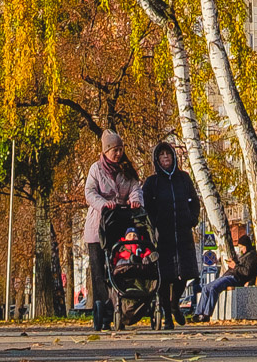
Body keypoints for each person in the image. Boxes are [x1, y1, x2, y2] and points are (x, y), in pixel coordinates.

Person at [83, 129, 144, 331]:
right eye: (114, 150)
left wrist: (135, 201)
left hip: (120, 224)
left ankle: (121, 305)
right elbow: (90, 192)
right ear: (106, 151)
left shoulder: (126, 170)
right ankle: (104, 310)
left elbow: (135, 187)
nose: (118, 154)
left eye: (120, 149)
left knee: (119, 265)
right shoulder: (96, 169)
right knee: (99, 271)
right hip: (98, 227)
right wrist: (104, 203)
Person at [140, 141, 201, 329]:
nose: (165, 157)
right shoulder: (152, 182)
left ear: (173, 157)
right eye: (162, 155)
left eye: (168, 154)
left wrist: (192, 219)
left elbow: (194, 201)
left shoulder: (183, 178)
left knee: (184, 274)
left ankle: (175, 304)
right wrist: (153, 226)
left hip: (182, 234)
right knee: (164, 278)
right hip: (163, 236)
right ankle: (167, 315)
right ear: (157, 159)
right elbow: (146, 207)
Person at [195, 233, 257, 320]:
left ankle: (206, 314)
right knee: (206, 288)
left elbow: (246, 272)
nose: (241, 250)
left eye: (241, 247)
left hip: (235, 278)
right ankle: (198, 313)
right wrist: (232, 263)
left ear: (246, 246)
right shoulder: (243, 256)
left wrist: (235, 266)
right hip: (229, 276)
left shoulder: (251, 256)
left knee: (214, 288)